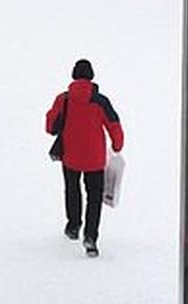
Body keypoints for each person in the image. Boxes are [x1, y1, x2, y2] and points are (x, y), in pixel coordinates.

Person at [44, 58, 123, 257]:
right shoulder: (100, 101)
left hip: (70, 156)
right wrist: (117, 145)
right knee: (94, 196)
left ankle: (73, 226)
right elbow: (114, 125)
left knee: (72, 189)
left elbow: (50, 126)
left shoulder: (63, 99)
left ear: (73, 75)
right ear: (91, 76)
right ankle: (90, 237)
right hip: (95, 159)